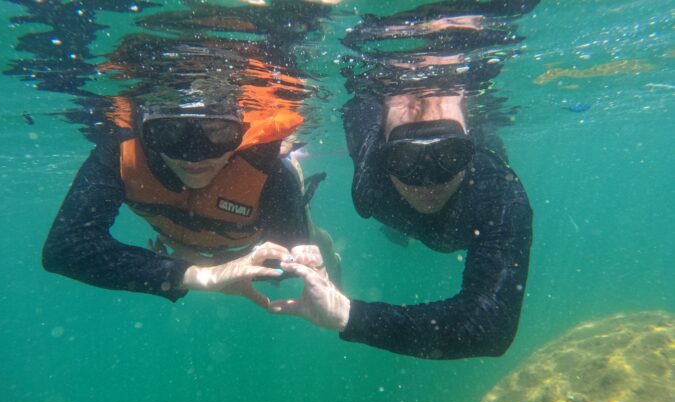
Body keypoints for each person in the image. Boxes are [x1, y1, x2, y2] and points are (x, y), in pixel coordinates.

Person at [269, 0, 537, 360]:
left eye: (449, 156)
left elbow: (490, 328)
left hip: (448, 223)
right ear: (384, 155)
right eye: (405, 159)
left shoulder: (498, 196)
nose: (428, 181)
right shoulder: (371, 174)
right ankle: (402, 228)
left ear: (468, 152)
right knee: (397, 223)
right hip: (400, 216)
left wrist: (349, 315)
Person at [41, 2, 339, 307]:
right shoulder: (120, 152)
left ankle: (321, 236)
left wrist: (205, 263)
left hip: (244, 239)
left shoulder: (268, 170)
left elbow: (287, 265)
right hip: (192, 244)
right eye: (169, 133)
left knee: (309, 239)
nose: (194, 156)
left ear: (240, 133)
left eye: (218, 133)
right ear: (146, 131)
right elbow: (65, 248)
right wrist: (193, 274)